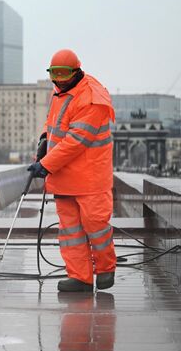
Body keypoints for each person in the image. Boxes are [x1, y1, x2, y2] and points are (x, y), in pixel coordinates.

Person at [27, 49, 116, 292]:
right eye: (54, 74)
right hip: (65, 178)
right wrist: (45, 138)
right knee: (71, 232)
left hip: (90, 180)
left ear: (76, 71)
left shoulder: (91, 98)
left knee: (95, 225)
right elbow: (54, 123)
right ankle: (80, 277)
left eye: (64, 73)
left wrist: (45, 164)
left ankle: (106, 268)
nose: (59, 79)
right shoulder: (60, 93)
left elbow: (77, 141)